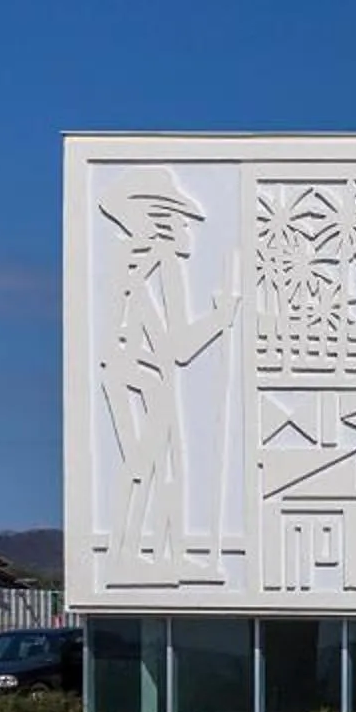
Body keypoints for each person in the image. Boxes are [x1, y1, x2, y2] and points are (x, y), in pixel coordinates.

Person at [96, 178, 236, 572]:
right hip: (137, 371)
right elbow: (180, 346)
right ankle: (130, 555)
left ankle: (161, 555)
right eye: (182, 220)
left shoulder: (130, 259)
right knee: (147, 464)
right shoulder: (158, 263)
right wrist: (220, 318)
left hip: (135, 370)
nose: (190, 230)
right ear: (160, 220)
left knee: (164, 465)